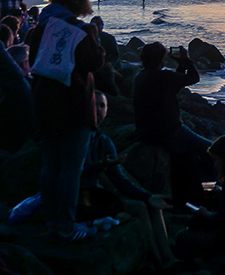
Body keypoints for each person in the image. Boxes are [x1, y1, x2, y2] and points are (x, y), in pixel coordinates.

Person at [8, 92, 177, 265]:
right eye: (94, 105)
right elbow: (70, 174)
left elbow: (120, 179)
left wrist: (149, 196)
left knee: (151, 204)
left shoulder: (104, 141)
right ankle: (159, 261)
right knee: (140, 207)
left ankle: (168, 257)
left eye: (102, 106)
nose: (98, 109)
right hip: (74, 199)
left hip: (93, 196)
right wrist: (101, 166)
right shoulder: (73, 137)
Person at [26, 0, 105, 241]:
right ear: (81, 3)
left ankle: (51, 222)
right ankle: (67, 226)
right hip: (74, 106)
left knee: (50, 166)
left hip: (44, 104)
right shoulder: (80, 30)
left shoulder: (39, 27)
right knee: (71, 169)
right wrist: (97, 37)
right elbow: (93, 62)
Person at [133, 42, 213, 205]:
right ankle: (211, 192)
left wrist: (181, 65)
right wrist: (186, 60)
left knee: (190, 161)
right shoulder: (162, 76)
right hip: (170, 132)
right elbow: (193, 78)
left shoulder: (142, 77)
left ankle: (194, 196)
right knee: (211, 150)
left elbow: (172, 88)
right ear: (161, 59)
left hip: (149, 131)